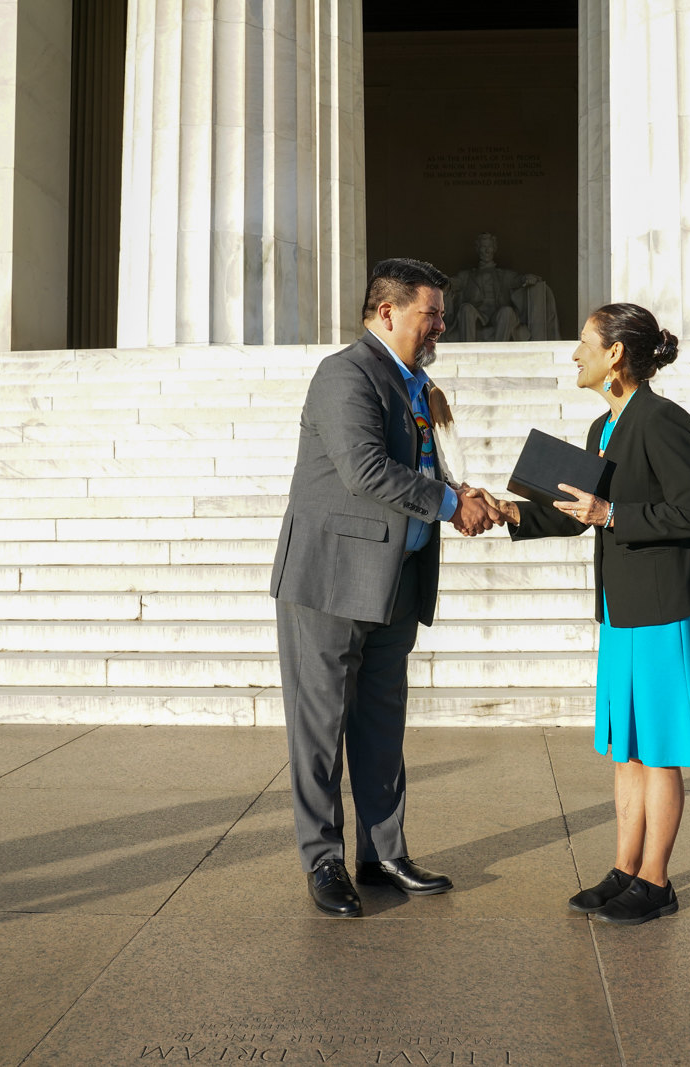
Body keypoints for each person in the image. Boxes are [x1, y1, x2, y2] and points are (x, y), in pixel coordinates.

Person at [470, 302, 690, 925]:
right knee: (628, 747)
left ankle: (657, 881)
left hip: (664, 605)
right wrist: (511, 512)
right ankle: (625, 869)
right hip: (620, 606)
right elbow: (574, 513)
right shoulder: (600, 430)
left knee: (658, 747)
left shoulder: (663, 421)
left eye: (585, 344)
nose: (575, 355)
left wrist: (613, 516)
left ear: (615, 355)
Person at [270, 258, 504, 918]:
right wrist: (450, 505)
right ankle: (323, 858)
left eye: (440, 314)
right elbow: (365, 469)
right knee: (321, 728)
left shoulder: (416, 384)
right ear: (386, 313)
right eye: (430, 313)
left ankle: (382, 852)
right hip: (331, 579)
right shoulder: (345, 374)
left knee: (380, 721)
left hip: (395, 579)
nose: (441, 325)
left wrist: (460, 493)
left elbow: (422, 463)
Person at [441, 232, 561, 342]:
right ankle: (467, 350)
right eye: (483, 247)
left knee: (507, 311)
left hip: (498, 314)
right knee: (466, 309)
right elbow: (454, 282)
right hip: (477, 314)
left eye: (489, 247)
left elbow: (519, 280)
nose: (486, 251)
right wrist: (444, 282)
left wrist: (528, 278)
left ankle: (500, 346)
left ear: (494, 249)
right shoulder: (467, 275)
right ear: (478, 249)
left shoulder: (505, 275)